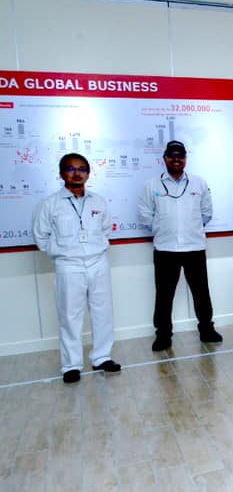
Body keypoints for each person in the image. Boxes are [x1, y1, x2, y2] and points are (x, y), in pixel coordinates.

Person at [33, 153, 121, 383]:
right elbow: (41, 236)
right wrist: (61, 252)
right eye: (71, 169)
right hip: (68, 265)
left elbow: (106, 229)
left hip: (98, 262)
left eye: (81, 169)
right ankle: (71, 365)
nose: (77, 173)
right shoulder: (50, 204)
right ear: (62, 173)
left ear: (88, 174)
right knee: (70, 316)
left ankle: (102, 357)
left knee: (103, 313)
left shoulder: (98, 201)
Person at [138, 140, 221, 351]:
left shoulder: (198, 183)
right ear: (165, 158)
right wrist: (162, 229)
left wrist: (190, 229)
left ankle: (207, 329)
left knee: (201, 292)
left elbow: (206, 213)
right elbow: (145, 215)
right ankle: (163, 335)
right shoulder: (152, 185)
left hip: (194, 247)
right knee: (164, 295)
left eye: (180, 156)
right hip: (165, 249)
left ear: (185, 158)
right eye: (172, 155)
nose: (176, 159)